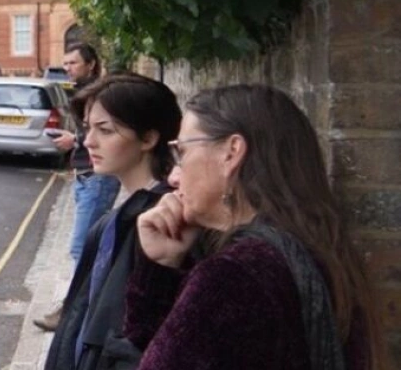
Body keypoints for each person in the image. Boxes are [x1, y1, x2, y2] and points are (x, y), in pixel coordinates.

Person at [124, 84, 384, 369]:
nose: (174, 175)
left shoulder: (235, 275)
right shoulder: (322, 251)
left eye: (182, 152)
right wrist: (161, 265)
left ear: (231, 152)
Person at [43, 73, 183, 369]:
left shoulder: (162, 226)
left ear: (148, 138)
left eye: (105, 130)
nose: (89, 141)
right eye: (87, 129)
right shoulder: (117, 220)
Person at [34, 43, 122, 331]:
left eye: (73, 63)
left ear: (91, 64)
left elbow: (106, 133)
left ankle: (74, 313)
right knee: (86, 246)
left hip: (97, 178)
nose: (68, 68)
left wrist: (75, 140)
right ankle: (82, 309)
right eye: (66, 63)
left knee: (82, 248)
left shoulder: (101, 95)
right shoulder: (90, 93)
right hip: (86, 176)